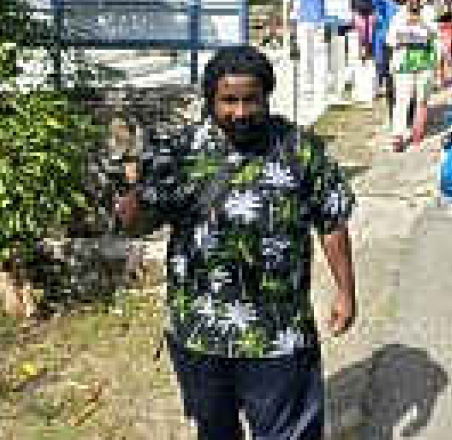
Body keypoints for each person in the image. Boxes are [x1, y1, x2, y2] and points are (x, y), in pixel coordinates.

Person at [114, 45, 357, 440]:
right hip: (199, 331)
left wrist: (345, 292)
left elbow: (332, 221)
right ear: (210, 100)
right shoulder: (179, 152)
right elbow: (142, 223)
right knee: (215, 431)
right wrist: (131, 206)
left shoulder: (300, 150)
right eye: (229, 101)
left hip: (279, 332)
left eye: (251, 100)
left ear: (266, 97)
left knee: (288, 433)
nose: (240, 112)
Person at [385, 0, 437, 151]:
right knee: (402, 99)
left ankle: (417, 129)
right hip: (404, 64)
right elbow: (390, 39)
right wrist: (407, 34)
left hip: (425, 62)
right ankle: (398, 136)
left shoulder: (429, 12)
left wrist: (421, 23)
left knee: (422, 98)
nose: (414, 0)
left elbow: (434, 34)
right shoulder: (399, 15)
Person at [285, 0, 332, 99]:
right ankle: (307, 88)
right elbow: (291, 1)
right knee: (306, 55)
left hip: (319, 23)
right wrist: (288, 19)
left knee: (320, 55)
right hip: (303, 24)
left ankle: (321, 87)